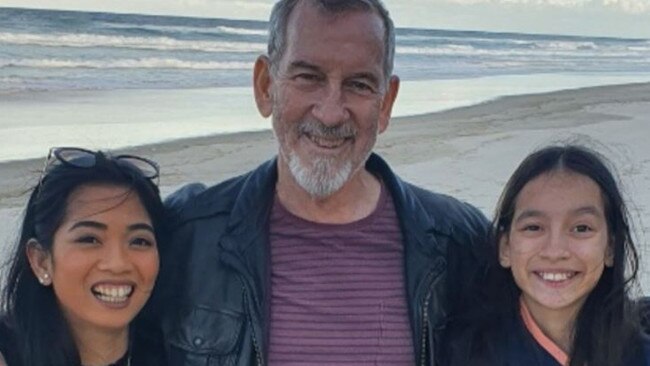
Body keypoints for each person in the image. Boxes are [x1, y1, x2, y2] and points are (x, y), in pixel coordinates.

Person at [146, 0, 488, 365]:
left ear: (386, 103)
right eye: (308, 77)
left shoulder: (460, 243)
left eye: (359, 84)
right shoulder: (187, 236)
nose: (330, 112)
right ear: (265, 86)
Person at [444, 145, 650, 366]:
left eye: (581, 228)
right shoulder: (462, 354)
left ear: (610, 247)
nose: (555, 251)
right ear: (505, 247)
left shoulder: (640, 350)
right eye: (533, 227)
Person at [0, 147, 167, 366]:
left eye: (139, 241)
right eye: (89, 239)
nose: (118, 264)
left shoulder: (184, 350)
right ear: (41, 261)